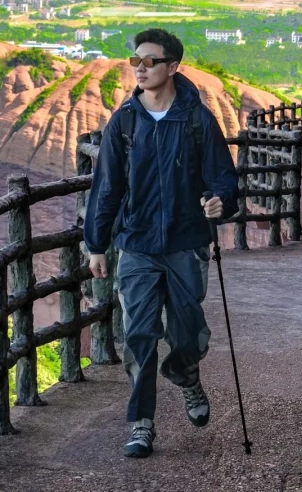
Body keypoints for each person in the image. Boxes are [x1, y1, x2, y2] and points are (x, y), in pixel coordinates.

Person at [83, 27, 239, 459]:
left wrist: (220, 202)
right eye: (136, 60)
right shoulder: (125, 121)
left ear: (173, 67)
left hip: (186, 244)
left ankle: (186, 373)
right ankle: (142, 423)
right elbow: (107, 187)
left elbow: (223, 177)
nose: (141, 68)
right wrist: (97, 245)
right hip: (136, 245)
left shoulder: (196, 120)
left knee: (188, 334)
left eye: (150, 61)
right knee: (138, 334)